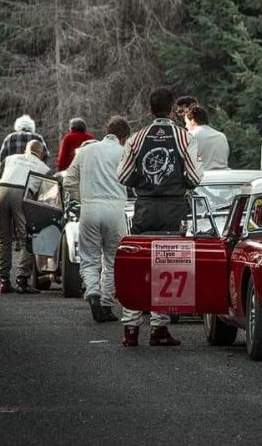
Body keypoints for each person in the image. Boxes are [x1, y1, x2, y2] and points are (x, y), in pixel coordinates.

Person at [116, 88, 204, 347]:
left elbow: (122, 176)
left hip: (144, 207)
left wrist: (142, 183)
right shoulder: (183, 137)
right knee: (167, 267)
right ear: (171, 109)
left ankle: (131, 330)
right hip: (174, 208)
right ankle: (159, 329)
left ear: (150, 109)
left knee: (138, 267)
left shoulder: (136, 138)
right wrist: (180, 183)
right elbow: (196, 178)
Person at [64, 116, 130, 324]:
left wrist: (82, 198)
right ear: (124, 137)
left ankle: (93, 293)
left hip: (90, 209)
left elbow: (68, 181)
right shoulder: (124, 152)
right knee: (112, 259)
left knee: (89, 257)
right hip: (115, 210)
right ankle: (107, 305)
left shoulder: (85, 152)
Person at [0, 140, 51, 293]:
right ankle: (22, 280)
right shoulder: (43, 168)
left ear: (26, 150)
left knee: (4, 238)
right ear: (41, 153)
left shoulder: (10, 159)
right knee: (28, 238)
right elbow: (45, 196)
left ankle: (4, 281)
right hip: (22, 193)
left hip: (1, 191)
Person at [184, 105, 229, 170]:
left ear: (193, 121)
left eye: (186, 122)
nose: (186, 126)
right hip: (224, 175)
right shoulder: (221, 136)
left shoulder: (191, 136)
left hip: (203, 177)